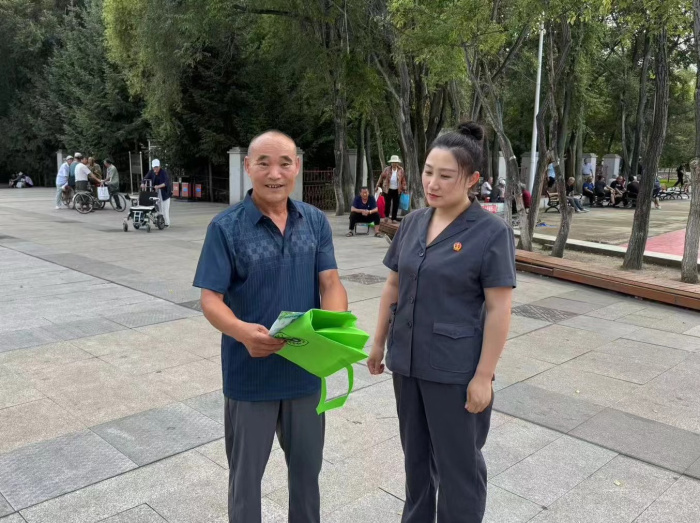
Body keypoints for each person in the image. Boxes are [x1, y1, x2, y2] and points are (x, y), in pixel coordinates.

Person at [193, 130, 348, 523]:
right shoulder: (225, 228)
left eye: (284, 163)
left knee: (307, 477)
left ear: (297, 167)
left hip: (305, 373)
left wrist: (332, 331)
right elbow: (210, 299)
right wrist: (242, 332)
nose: (274, 173)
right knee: (245, 481)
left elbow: (331, 282)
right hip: (250, 376)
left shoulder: (314, 221)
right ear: (248, 167)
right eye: (263, 163)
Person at [368, 122, 515, 523]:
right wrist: (379, 342)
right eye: (428, 171)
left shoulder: (491, 232)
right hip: (407, 362)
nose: (432, 183)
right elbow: (394, 284)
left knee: (458, 466)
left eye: (446, 176)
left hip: (455, 369)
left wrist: (483, 377)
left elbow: (500, 309)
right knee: (415, 461)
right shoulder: (414, 221)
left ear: (472, 180)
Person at [376, 155, 407, 223]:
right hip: (388, 189)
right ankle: (386, 216)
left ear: (397, 163)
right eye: (393, 162)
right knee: (387, 204)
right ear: (391, 163)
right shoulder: (386, 169)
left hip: (397, 190)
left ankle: (394, 218)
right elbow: (381, 177)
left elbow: (403, 179)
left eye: (396, 162)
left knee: (396, 204)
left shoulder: (401, 170)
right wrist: (377, 185)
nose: (394, 164)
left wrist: (404, 187)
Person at [143, 159, 172, 227]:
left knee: (165, 208)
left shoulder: (163, 172)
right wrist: (143, 183)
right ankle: (159, 221)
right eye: (154, 167)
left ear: (159, 166)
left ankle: (166, 222)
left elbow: (166, 183)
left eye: (156, 167)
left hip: (165, 192)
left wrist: (158, 186)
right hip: (156, 192)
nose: (155, 169)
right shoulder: (151, 172)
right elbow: (145, 178)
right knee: (157, 207)